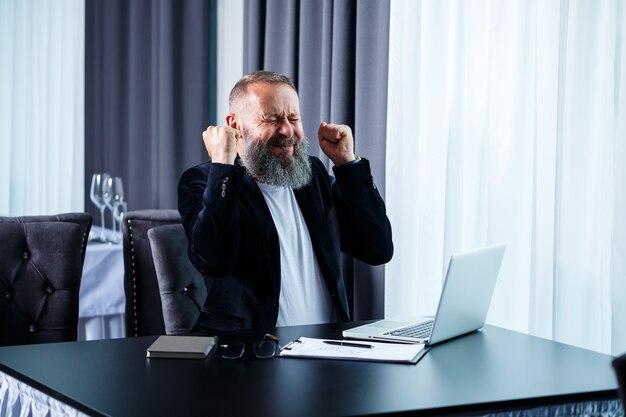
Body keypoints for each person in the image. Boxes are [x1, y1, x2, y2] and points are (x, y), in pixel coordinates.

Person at [178, 70, 393, 337]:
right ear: (234, 125)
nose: (288, 130)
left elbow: (377, 249)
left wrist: (348, 164)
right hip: (251, 361)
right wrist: (222, 165)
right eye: (272, 118)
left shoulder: (311, 175)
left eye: (293, 118)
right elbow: (213, 261)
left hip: (328, 351)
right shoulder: (202, 181)